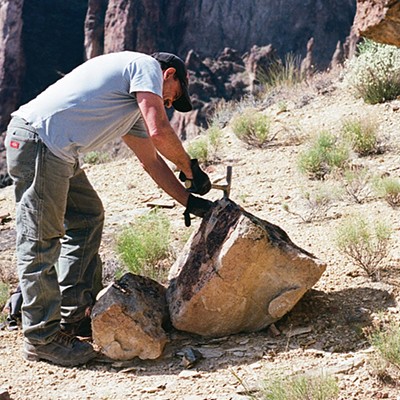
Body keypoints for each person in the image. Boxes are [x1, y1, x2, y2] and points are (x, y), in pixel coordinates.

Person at [5, 51, 213, 367]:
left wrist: (191, 202)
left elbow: (152, 162)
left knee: (88, 216)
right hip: (40, 144)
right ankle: (41, 339)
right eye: (171, 98)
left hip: (55, 150)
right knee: (41, 241)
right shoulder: (145, 67)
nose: (167, 104)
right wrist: (190, 167)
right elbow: (159, 132)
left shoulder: (128, 109)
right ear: (168, 75)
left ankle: (72, 315)